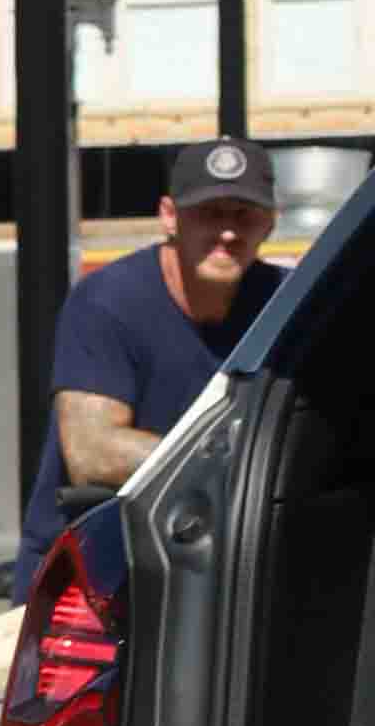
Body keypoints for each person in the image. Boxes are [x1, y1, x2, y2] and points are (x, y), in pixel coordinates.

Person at [17, 138, 285, 559]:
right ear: (169, 217)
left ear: (269, 223)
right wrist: (237, 461)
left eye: (244, 215)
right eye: (209, 213)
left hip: (223, 561)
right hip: (92, 566)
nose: (227, 232)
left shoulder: (286, 304)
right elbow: (92, 453)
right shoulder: (108, 301)